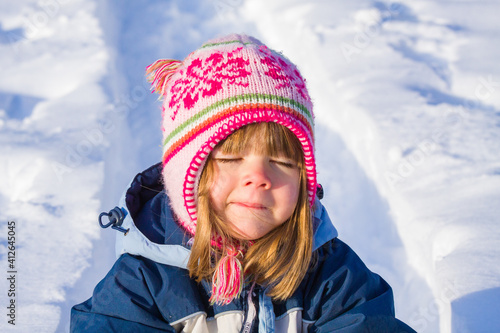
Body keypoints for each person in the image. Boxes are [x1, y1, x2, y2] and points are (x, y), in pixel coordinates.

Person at [70, 33, 416, 332]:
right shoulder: (142, 282)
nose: (260, 178)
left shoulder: (330, 274)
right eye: (232, 159)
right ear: (186, 177)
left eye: (281, 162)